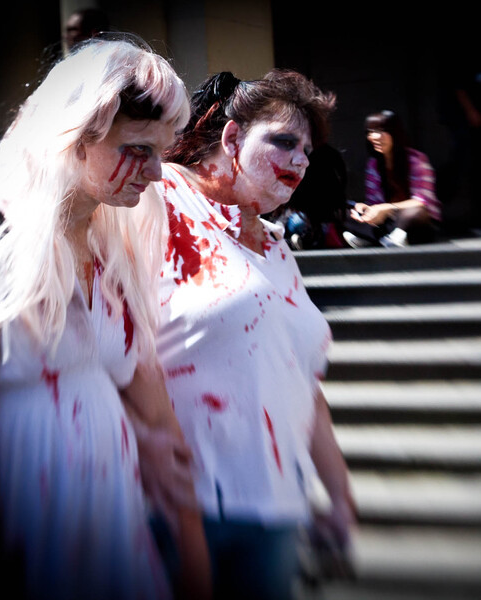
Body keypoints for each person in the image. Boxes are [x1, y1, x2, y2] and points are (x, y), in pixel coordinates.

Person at [0, 36, 210, 600]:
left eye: (161, 152)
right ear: (73, 136)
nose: (156, 173)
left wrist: (192, 553)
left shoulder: (115, 249)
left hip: (118, 547)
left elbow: (151, 406)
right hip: (22, 550)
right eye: (138, 149)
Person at [144, 69, 356, 599]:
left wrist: (339, 497)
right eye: (284, 141)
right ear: (233, 137)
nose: (300, 161)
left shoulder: (277, 247)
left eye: (307, 151)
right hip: (178, 507)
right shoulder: (158, 198)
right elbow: (114, 339)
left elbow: (302, 384)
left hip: (277, 513)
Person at [343, 109, 441, 248]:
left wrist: (387, 208)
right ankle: (382, 238)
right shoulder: (373, 164)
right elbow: (374, 203)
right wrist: (366, 209)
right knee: (347, 213)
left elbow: (421, 202)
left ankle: (385, 237)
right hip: (387, 221)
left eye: (382, 131)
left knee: (415, 212)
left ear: (395, 133)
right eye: (370, 132)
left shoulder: (416, 160)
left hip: (415, 223)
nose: (375, 136)